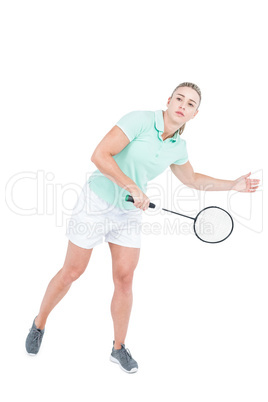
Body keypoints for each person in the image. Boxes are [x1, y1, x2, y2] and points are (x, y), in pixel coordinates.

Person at [25, 82, 260, 373]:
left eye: (189, 104)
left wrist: (232, 185)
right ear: (169, 99)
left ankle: (118, 347)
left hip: (128, 212)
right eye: (179, 98)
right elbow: (100, 155)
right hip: (96, 202)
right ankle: (39, 323)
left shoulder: (179, 146)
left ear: (194, 114)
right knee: (72, 272)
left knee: (124, 280)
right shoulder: (139, 120)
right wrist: (132, 186)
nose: (182, 106)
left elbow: (192, 179)